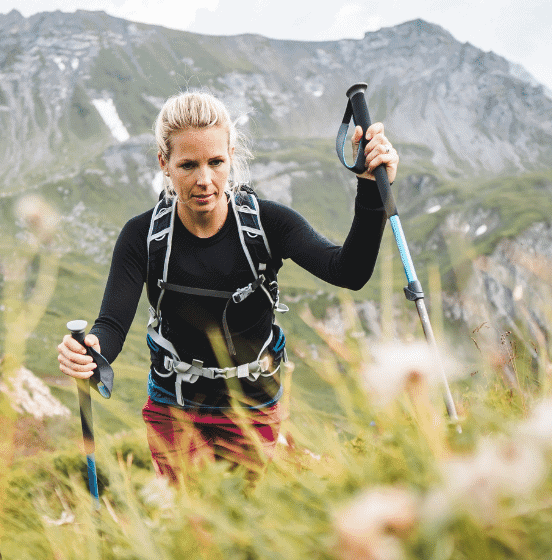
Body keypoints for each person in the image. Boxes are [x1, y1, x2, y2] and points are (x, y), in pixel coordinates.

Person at [57, 90, 397, 483]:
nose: (204, 180)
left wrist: (372, 187)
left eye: (216, 162)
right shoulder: (143, 237)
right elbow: (111, 327)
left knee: (246, 522)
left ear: (231, 156)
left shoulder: (268, 224)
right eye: (188, 165)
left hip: (254, 408)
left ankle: (292, 457)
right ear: (164, 164)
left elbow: (348, 271)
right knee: (198, 526)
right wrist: (92, 350)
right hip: (174, 409)